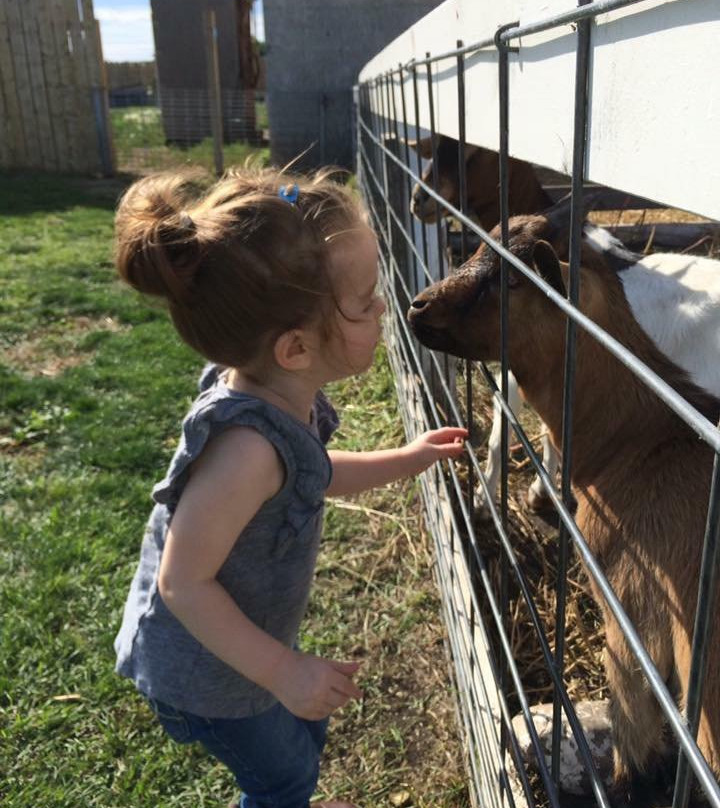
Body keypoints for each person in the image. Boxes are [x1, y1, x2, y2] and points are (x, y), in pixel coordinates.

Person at [113, 165, 467, 808]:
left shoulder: (281, 399)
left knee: (304, 727)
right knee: (282, 776)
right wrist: (282, 670)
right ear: (296, 349)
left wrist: (407, 457)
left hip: (237, 647)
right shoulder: (247, 450)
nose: (383, 306)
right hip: (205, 675)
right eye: (364, 303)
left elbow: (314, 471)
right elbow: (181, 581)